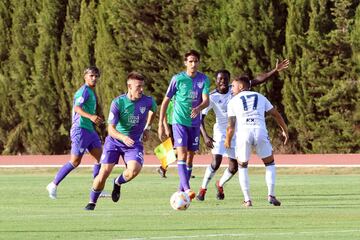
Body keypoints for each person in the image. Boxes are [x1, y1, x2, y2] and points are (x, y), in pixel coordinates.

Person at [197, 59, 290, 201]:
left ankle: (220, 184)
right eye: (219, 79)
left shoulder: (234, 89)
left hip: (238, 133)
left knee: (234, 167)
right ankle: (202, 190)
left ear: (229, 80)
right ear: (215, 81)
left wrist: (274, 70)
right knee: (216, 162)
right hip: (221, 133)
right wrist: (206, 136)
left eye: (225, 79)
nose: (222, 81)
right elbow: (200, 119)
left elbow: (258, 80)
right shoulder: (212, 97)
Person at [84, 71, 157, 210]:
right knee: (104, 172)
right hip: (115, 142)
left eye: (142, 86)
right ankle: (92, 202)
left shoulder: (148, 101)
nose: (141, 89)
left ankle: (117, 182)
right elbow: (110, 129)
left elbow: (154, 110)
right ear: (129, 87)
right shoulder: (118, 103)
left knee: (134, 170)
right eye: (138, 87)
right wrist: (123, 137)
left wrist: (147, 127)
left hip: (133, 143)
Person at [224, 75, 289, 207]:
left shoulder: (232, 101)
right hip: (259, 130)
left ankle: (247, 200)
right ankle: (271, 195)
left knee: (242, 166)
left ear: (241, 86)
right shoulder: (260, 97)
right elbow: (275, 114)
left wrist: (227, 141)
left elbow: (231, 126)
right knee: (269, 163)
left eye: (234, 86)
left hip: (243, 134)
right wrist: (285, 130)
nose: (231, 88)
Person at [158, 50, 210, 200]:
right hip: (179, 121)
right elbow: (165, 101)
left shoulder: (203, 79)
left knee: (190, 156)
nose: (193, 64)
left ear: (198, 62)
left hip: (194, 123)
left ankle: (181, 191)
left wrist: (198, 108)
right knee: (181, 153)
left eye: (196, 61)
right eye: (190, 61)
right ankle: (187, 189)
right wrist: (161, 124)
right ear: (185, 63)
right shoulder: (177, 79)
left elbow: (206, 100)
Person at [46, 66, 104, 199]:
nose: (94, 78)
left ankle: (97, 188)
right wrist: (91, 117)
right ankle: (53, 184)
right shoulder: (84, 91)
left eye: (96, 76)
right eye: (91, 76)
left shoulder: (91, 91)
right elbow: (77, 108)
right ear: (85, 77)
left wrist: (94, 119)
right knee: (75, 161)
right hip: (80, 129)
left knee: (100, 158)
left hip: (89, 130)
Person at [156, 100, 174, 178]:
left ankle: (162, 168)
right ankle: (162, 167)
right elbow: (164, 116)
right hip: (172, 126)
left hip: (180, 125)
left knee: (178, 150)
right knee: (174, 150)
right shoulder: (170, 101)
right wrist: (166, 128)